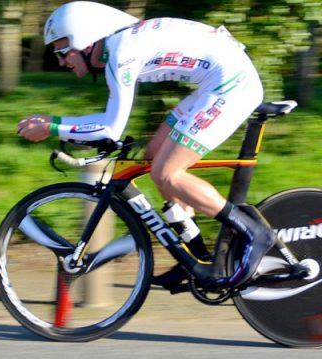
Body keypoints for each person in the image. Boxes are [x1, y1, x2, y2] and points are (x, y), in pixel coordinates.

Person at [17, 1, 274, 290]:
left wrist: (52, 126)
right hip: (216, 83)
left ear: (86, 40)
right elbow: (109, 125)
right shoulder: (121, 45)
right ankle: (195, 257)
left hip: (231, 86)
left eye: (63, 51)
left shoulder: (121, 53)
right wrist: (60, 125)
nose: (62, 61)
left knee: (167, 173)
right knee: (153, 158)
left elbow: (111, 127)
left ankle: (254, 232)